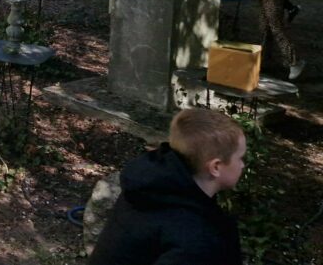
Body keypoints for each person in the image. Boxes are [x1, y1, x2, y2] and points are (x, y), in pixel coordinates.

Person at [89, 109, 246, 265]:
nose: (242, 165)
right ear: (216, 167)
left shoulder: (149, 187)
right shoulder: (197, 240)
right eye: (240, 158)